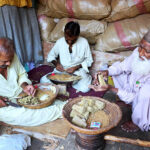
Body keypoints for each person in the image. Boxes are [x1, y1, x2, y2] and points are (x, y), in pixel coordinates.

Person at [89, 31, 150, 132]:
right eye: (140, 47)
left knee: (146, 94)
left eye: (147, 51)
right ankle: (129, 104)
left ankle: (138, 122)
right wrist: (107, 72)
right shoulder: (138, 52)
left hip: (145, 99)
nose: (140, 53)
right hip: (134, 85)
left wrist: (111, 88)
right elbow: (123, 66)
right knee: (116, 71)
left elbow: (136, 97)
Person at [0, 37, 66, 126]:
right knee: (27, 116)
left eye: (10, 60)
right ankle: (63, 110)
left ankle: (64, 106)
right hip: (4, 106)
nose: (8, 63)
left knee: (44, 100)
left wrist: (25, 86)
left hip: (21, 94)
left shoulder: (11, 56)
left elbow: (21, 74)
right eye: (4, 61)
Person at [40, 21, 93, 93]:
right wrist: (56, 64)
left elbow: (89, 60)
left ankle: (64, 85)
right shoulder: (60, 42)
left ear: (77, 36)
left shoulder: (84, 42)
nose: (70, 42)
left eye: (73, 40)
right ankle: (66, 84)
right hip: (62, 71)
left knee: (85, 88)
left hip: (77, 72)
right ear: (64, 33)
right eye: (67, 39)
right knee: (43, 80)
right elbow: (51, 56)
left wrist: (76, 67)